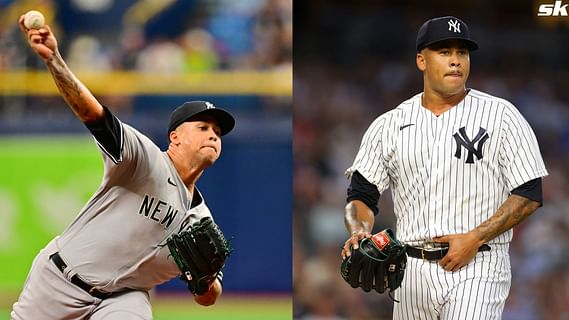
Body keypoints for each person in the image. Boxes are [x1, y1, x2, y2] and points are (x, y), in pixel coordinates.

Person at [12, 14, 235, 319]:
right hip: (59, 280)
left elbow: (209, 298)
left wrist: (204, 280)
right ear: (175, 137)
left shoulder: (201, 221)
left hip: (123, 299)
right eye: (203, 127)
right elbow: (93, 114)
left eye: (218, 132)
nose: (213, 134)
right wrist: (54, 60)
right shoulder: (144, 159)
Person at [341, 16, 548, 319]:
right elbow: (361, 193)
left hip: (479, 263)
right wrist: (360, 231)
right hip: (409, 268)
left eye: (461, 52)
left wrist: (476, 237)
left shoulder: (501, 115)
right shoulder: (390, 124)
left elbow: (530, 192)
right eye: (444, 52)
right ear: (421, 60)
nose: (455, 61)